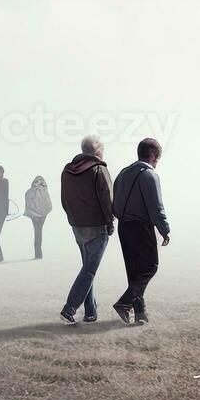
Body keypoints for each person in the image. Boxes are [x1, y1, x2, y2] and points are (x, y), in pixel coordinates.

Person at [110, 137, 171, 325]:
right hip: (141, 227)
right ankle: (123, 303)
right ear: (153, 156)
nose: (157, 162)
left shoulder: (122, 173)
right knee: (150, 267)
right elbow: (156, 206)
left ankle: (140, 314)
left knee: (134, 272)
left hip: (124, 226)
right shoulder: (149, 175)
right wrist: (164, 229)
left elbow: (115, 204)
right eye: (157, 158)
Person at [59, 135, 114, 325]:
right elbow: (108, 201)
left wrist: (73, 220)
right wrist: (110, 223)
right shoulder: (99, 169)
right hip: (97, 227)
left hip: (77, 227)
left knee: (87, 268)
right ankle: (69, 309)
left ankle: (91, 311)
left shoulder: (66, 171)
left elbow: (64, 201)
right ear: (98, 151)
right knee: (90, 270)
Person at [24, 175, 53, 260]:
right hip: (42, 216)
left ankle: (38, 254)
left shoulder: (29, 192)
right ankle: (38, 254)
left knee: (37, 233)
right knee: (38, 234)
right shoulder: (45, 191)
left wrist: (33, 214)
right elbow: (48, 205)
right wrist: (44, 214)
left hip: (35, 217)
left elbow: (28, 204)